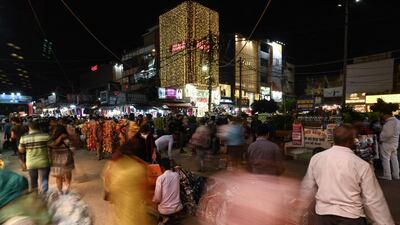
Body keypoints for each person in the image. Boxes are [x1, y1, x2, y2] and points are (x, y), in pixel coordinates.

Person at [298, 124, 394, 225]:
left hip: (322, 216)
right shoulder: (361, 165)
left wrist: (300, 210)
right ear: (351, 140)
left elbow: (307, 188)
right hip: (351, 217)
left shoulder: (317, 158)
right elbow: (373, 200)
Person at [102, 141, 152, 225]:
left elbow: (107, 187)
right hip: (135, 213)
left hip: (119, 212)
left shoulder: (112, 165)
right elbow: (146, 195)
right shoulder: (138, 169)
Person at [18, 121, 51, 193]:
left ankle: (36, 197)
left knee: (33, 181)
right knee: (44, 179)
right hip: (44, 161)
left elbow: (21, 150)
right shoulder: (45, 136)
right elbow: (52, 145)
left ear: (29, 127)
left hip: (31, 163)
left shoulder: (23, 138)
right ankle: (44, 196)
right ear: (39, 127)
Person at [48, 125, 74, 194]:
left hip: (56, 160)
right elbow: (72, 148)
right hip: (67, 159)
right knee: (68, 174)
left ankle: (60, 191)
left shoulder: (52, 139)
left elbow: (52, 145)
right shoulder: (66, 138)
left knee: (58, 177)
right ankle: (67, 188)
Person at [379, 111, 400, 180]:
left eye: (383, 115)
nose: (383, 116)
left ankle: (387, 175)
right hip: (395, 142)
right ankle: (396, 175)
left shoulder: (390, 122)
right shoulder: (397, 121)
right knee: (394, 159)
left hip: (387, 143)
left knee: (385, 159)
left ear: (387, 115)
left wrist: (381, 139)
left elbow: (388, 134)